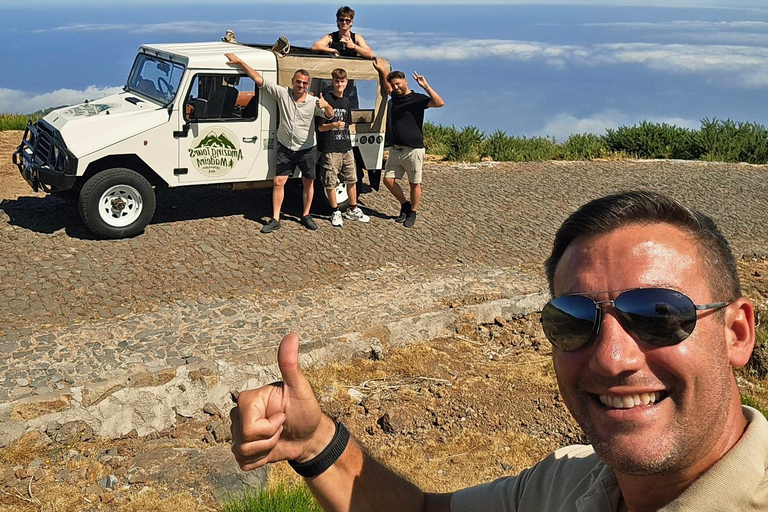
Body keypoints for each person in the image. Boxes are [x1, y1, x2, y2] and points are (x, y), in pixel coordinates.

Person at [230, 190, 766, 511]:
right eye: (575, 320)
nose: (611, 358)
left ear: (736, 332)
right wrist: (317, 442)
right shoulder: (569, 483)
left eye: (657, 315)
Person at [225, 53, 334, 233]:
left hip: (307, 149)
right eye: (298, 81)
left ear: (308, 84)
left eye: (304, 83)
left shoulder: (314, 102)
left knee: (308, 182)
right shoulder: (283, 93)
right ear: (293, 81)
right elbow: (260, 80)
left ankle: (306, 215)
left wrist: (326, 105)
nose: (301, 85)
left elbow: (330, 115)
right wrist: (240, 62)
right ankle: (275, 218)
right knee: (278, 182)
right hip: (286, 147)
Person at [373, 58, 444, 228]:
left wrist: (425, 86)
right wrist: (383, 71)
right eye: (394, 85)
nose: (396, 87)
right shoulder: (395, 97)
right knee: (388, 181)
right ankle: (404, 204)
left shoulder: (417, 99)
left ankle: (412, 211)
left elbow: (439, 103)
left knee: (414, 183)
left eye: (399, 84)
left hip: (414, 150)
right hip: (396, 150)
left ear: (405, 81)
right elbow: (387, 87)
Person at [316, 68, 370, 227]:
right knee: (330, 182)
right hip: (330, 149)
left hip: (346, 147)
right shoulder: (326, 99)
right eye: (337, 81)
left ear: (347, 83)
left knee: (352, 179)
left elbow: (347, 125)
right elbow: (320, 128)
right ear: (332, 82)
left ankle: (353, 209)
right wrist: (333, 125)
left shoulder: (347, 102)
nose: (340, 84)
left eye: (342, 81)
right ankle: (335, 211)